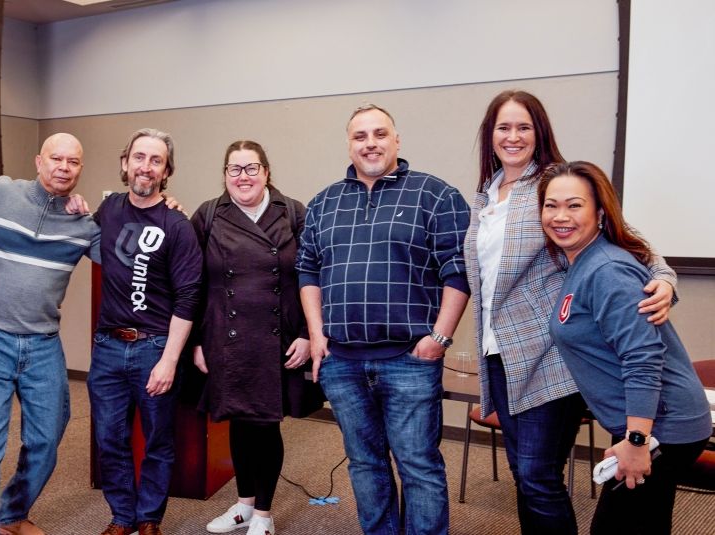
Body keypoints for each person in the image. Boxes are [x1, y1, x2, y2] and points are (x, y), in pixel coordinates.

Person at [463, 90, 676, 534]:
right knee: (527, 476)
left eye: (524, 126)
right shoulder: (485, 196)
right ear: (490, 135)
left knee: (538, 477)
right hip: (499, 357)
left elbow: (632, 241)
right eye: (504, 127)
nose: (513, 136)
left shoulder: (553, 185)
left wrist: (665, 280)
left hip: (550, 359)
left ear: (540, 132)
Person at [297, 104, 471, 535]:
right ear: (349, 144)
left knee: (418, 465)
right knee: (364, 463)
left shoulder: (436, 195)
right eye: (360, 136)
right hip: (341, 362)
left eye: (379, 134)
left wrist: (439, 338)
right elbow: (308, 270)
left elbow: (459, 271)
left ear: (397, 140)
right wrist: (317, 335)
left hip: (409, 360)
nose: (370, 143)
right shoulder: (324, 203)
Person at [539, 161, 710, 535]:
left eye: (574, 205)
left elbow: (643, 359)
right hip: (649, 423)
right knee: (645, 522)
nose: (560, 216)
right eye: (551, 206)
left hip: (661, 427)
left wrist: (636, 442)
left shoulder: (606, 269)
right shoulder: (582, 262)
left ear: (599, 212)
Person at [0, 133, 100, 535]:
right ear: (39, 161)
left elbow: (133, 252)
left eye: (73, 162)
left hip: (42, 344)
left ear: (80, 170)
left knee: (46, 438)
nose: (63, 168)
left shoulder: (83, 225)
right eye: (56, 159)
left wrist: (167, 206)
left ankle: (11, 514)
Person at [191, 140, 318, 535]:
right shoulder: (209, 214)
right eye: (234, 169)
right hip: (225, 340)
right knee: (240, 423)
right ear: (225, 174)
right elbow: (191, 283)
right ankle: (244, 505)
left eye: (251, 168)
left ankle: (264, 513)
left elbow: (315, 276)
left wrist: (308, 334)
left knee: (265, 424)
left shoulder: (294, 212)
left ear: (266, 171)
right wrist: (196, 341)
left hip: (279, 341)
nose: (242, 177)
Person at [89, 128, 203, 535]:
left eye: (156, 161)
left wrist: (170, 360)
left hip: (154, 347)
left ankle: (149, 518)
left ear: (166, 170)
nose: (145, 167)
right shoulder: (108, 210)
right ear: (125, 163)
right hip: (106, 347)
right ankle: (122, 516)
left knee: (157, 440)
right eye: (139, 157)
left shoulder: (177, 225)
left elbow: (189, 297)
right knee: (109, 438)